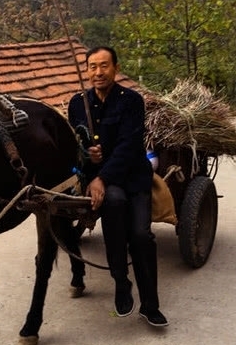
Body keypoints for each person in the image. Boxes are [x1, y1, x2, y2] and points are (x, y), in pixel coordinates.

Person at [68, 46, 168, 327]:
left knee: (140, 235)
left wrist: (103, 175)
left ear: (115, 68)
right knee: (113, 205)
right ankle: (121, 283)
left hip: (132, 176)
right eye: (92, 67)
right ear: (87, 70)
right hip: (101, 181)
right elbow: (76, 145)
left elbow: (129, 145)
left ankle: (150, 305)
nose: (98, 72)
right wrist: (89, 156)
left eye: (104, 66)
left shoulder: (131, 101)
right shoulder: (78, 103)